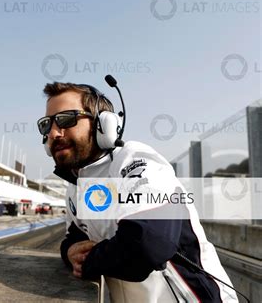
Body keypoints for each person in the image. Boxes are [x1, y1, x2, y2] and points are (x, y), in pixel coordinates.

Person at [38, 82, 237, 302]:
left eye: (66, 119)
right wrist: (69, 253)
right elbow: (73, 240)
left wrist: (91, 262)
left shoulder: (135, 160)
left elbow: (147, 245)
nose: (54, 133)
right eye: (47, 125)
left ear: (103, 124)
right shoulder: (75, 186)